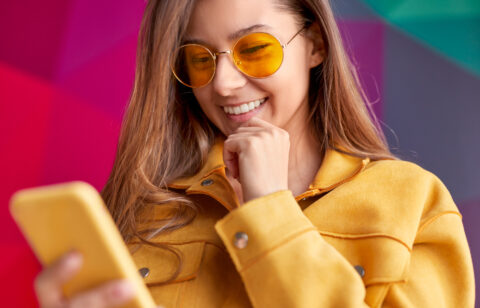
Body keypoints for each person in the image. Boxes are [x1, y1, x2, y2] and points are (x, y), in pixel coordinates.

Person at [33, 0, 475, 307]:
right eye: (201, 58)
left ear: (316, 45)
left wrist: (269, 214)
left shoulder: (414, 203)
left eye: (255, 49)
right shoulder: (146, 214)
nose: (222, 84)